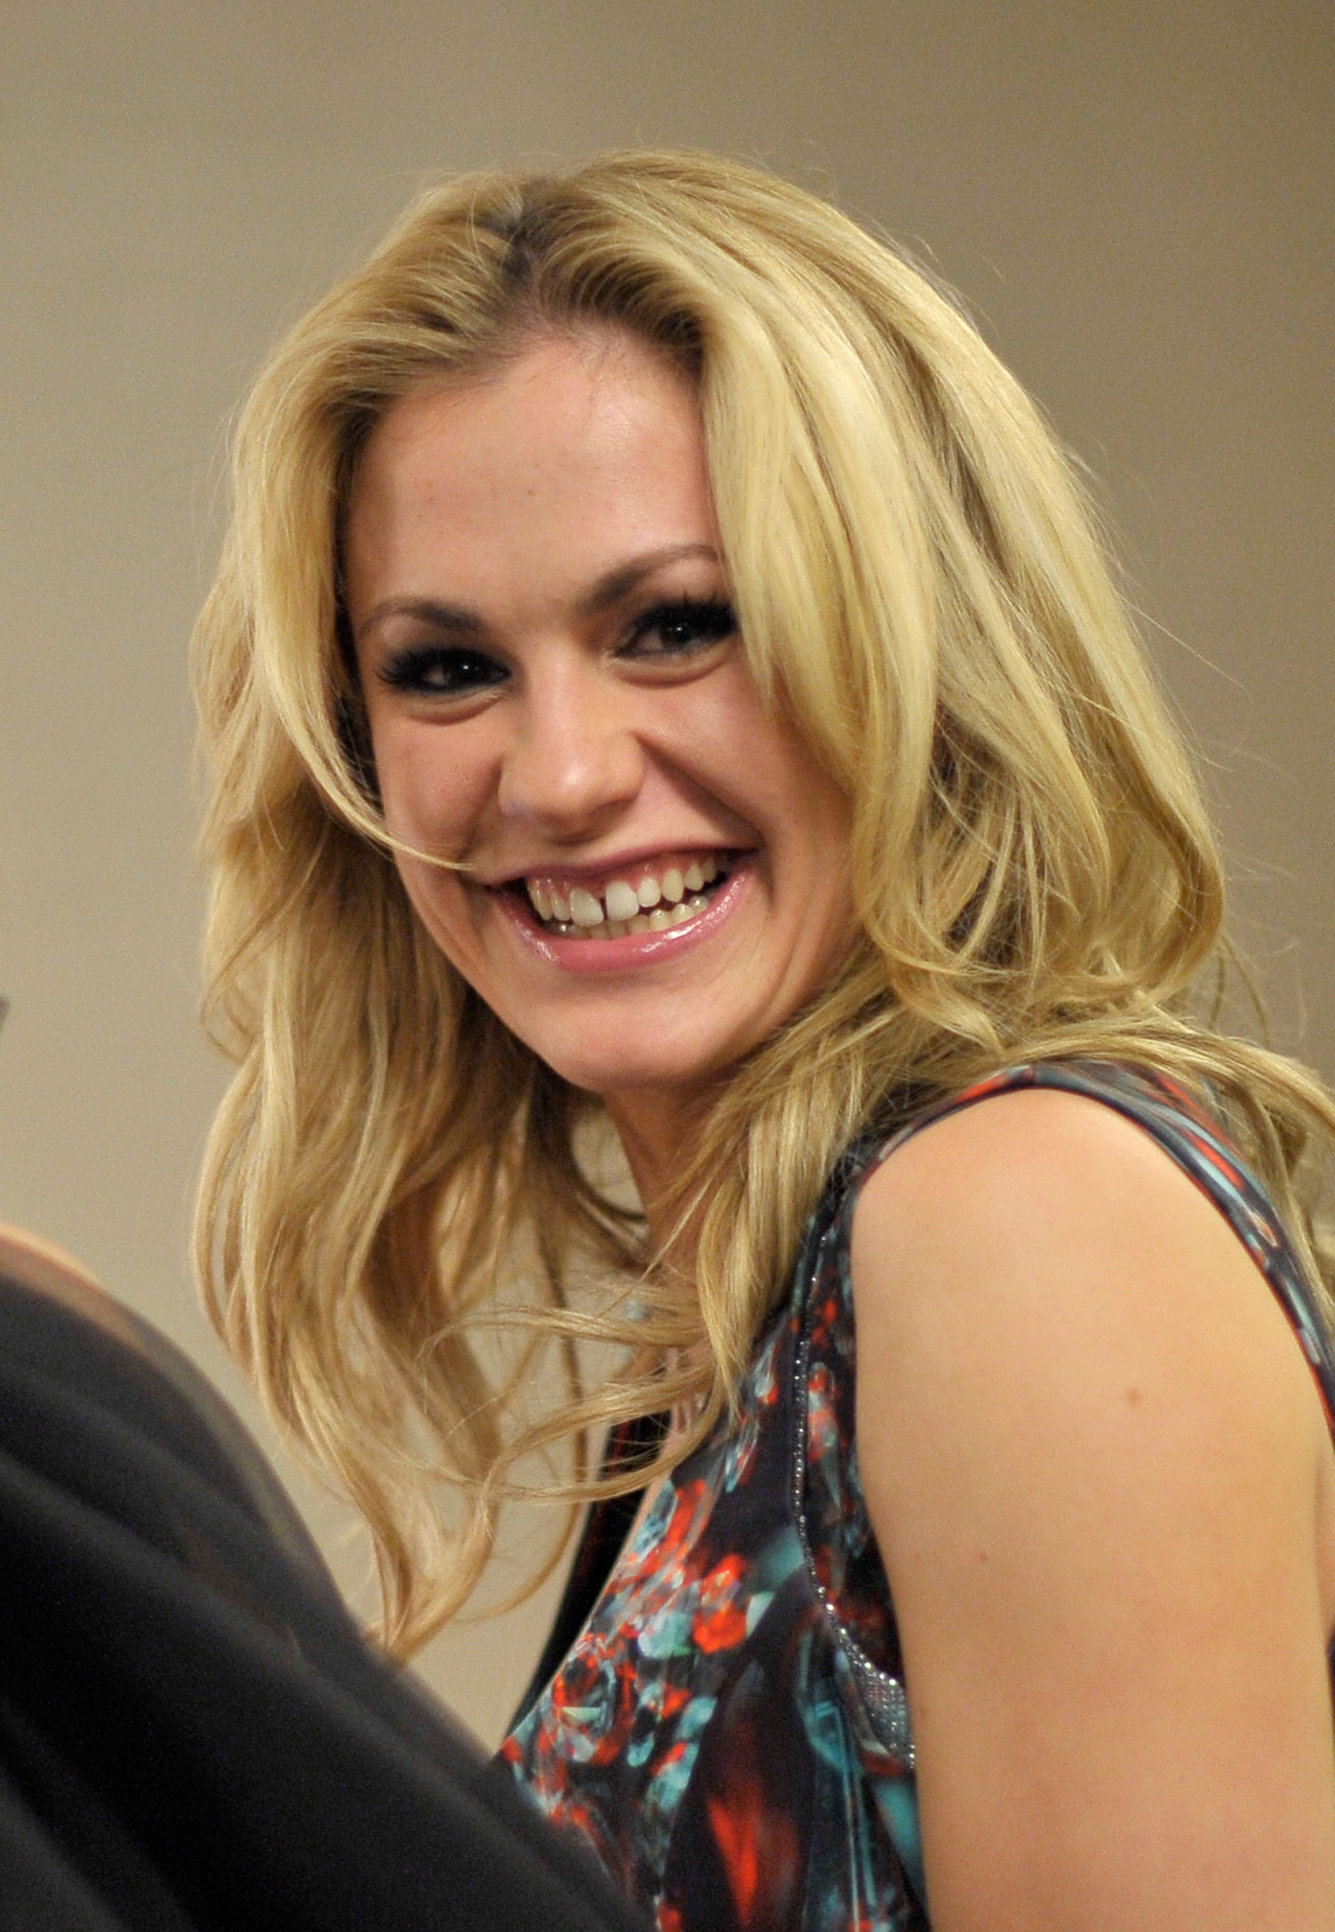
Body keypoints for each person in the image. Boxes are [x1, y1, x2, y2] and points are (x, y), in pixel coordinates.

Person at [191, 150, 1335, 1929]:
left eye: (679, 626)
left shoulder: (1021, 1221)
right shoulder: (766, 1334)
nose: (560, 776)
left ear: (922, 648)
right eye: (445, 668)